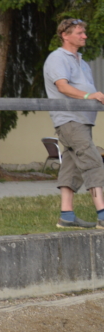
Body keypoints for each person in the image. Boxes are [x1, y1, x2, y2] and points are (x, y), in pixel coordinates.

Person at [43, 17, 104, 229]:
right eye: (79, 33)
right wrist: (89, 96)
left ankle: (66, 216)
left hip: (83, 121)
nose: (85, 36)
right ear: (65, 35)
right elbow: (63, 87)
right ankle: (103, 216)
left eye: (84, 32)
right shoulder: (57, 58)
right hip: (70, 120)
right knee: (93, 162)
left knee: (70, 167)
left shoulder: (82, 62)